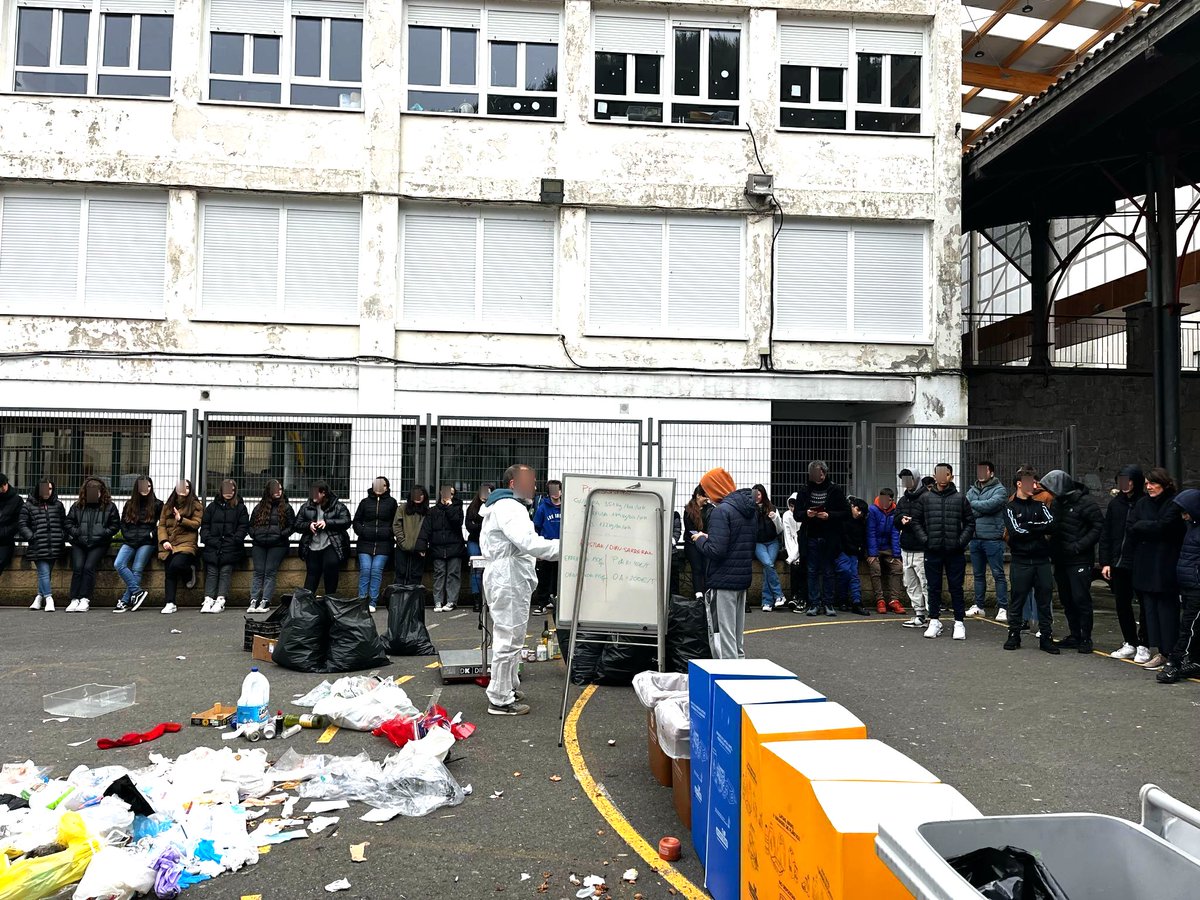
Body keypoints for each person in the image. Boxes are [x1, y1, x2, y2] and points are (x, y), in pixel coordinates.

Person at [480, 464, 560, 716]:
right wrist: (567, 548)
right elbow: (529, 543)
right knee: (509, 637)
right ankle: (500, 698)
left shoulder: (504, 506)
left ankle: (509, 686)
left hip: (509, 576)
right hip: (508, 578)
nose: (534, 486)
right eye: (530, 481)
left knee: (513, 635)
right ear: (513, 483)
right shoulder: (510, 508)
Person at [1123, 468, 1186, 671]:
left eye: (1153, 483)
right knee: (1150, 612)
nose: (1149, 487)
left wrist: (1145, 527)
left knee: (1167, 612)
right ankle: (1160, 651)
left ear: (1164, 484)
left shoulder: (1174, 503)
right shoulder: (1142, 503)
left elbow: (1165, 527)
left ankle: (1171, 652)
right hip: (1145, 565)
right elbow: (1132, 527)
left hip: (1166, 566)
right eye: (1147, 484)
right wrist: (1150, 527)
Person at [691, 467, 756, 659]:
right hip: (741, 577)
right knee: (736, 639)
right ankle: (739, 677)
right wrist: (710, 537)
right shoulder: (748, 509)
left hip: (723, 580)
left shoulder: (721, 511)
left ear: (715, 487)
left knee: (723, 638)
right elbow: (740, 541)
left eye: (707, 489)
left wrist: (701, 540)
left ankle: (727, 683)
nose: (708, 496)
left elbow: (716, 551)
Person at [1039, 469, 1103, 653]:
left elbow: (1098, 526)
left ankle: (1085, 637)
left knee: (1081, 598)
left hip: (1079, 559)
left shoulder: (1085, 503)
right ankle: (1075, 634)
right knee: (1067, 599)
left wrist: (1079, 545)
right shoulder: (1058, 503)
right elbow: (1054, 525)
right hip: (1061, 558)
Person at [1003, 466, 1059, 654]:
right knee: (1018, 599)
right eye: (1031, 482)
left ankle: (1046, 637)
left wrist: (1029, 526)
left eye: (1035, 482)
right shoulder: (1010, 506)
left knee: (1044, 599)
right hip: (1021, 561)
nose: (1034, 485)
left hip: (1041, 560)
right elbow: (1015, 532)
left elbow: (1052, 525)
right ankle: (1014, 635)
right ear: (1020, 484)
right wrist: (1037, 529)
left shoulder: (1040, 505)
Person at [919, 463, 975, 640]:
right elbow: (916, 522)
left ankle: (959, 623)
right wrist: (926, 540)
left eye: (947, 474)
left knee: (956, 587)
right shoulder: (926, 498)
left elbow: (970, 523)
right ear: (935, 476)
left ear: (951, 476)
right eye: (940, 474)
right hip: (933, 550)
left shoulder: (960, 498)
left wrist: (960, 542)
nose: (943, 477)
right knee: (933, 587)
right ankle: (934, 620)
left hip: (954, 551)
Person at [1100, 466, 1150, 663]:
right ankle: (1130, 641)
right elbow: (1107, 534)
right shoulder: (1115, 504)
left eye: (1129, 480)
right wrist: (1105, 562)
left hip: (1140, 562)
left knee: (1145, 605)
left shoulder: (1144, 503)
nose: (1125, 484)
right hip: (1118, 562)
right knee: (1122, 604)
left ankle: (1144, 643)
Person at [797, 461, 848, 617]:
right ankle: (814, 603)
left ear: (824, 473)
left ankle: (828, 603)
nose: (814, 476)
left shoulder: (835, 490)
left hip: (829, 537)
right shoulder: (804, 490)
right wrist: (806, 513)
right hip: (810, 536)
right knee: (811, 571)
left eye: (817, 473)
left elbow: (845, 513)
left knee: (828, 571)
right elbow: (796, 514)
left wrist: (829, 515)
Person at [1159, 490, 1200, 684]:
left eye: (1186, 512)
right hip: (1189, 584)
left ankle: (1175, 663)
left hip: (1196, 586)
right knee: (1192, 626)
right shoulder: (1192, 527)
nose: (1183, 516)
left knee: (1188, 628)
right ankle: (1194, 660)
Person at [64, 477, 120, 613]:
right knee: (77, 568)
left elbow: (115, 525)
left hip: (99, 544)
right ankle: (74, 599)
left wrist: (103, 533)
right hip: (79, 543)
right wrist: (77, 533)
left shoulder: (109, 507)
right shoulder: (77, 506)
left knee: (89, 567)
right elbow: (68, 522)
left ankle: (84, 598)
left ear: (102, 492)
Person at [966, 461, 1009, 620]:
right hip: (975, 538)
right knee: (978, 575)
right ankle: (979, 606)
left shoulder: (1000, 490)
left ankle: (1003, 607)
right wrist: (979, 508)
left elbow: (991, 506)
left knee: (998, 574)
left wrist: (974, 506)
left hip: (993, 539)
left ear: (991, 473)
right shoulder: (972, 490)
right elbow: (966, 509)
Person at [113, 477, 162, 613]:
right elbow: (123, 524)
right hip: (130, 541)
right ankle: (137, 592)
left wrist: (151, 535)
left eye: (148, 486)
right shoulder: (129, 504)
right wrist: (128, 536)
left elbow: (162, 525)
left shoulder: (158, 504)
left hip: (147, 542)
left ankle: (124, 601)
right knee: (119, 564)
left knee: (137, 569)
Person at [199, 479, 249, 614]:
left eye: (231, 490)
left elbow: (243, 528)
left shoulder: (240, 508)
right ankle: (208, 598)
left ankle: (221, 599)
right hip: (213, 545)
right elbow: (204, 527)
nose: (228, 493)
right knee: (212, 571)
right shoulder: (212, 507)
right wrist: (210, 540)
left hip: (231, 546)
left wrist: (234, 540)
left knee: (225, 571)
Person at [296, 481, 352, 595]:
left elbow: (346, 521)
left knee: (331, 567)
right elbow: (296, 524)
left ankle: (330, 600)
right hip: (312, 545)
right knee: (312, 573)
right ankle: (306, 603)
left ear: (324, 493)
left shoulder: (338, 506)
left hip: (331, 544)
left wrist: (327, 523)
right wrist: (308, 525)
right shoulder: (306, 506)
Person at [248, 479, 296, 612]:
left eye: (280, 489)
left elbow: (293, 526)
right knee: (258, 572)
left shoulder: (286, 508)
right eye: (275, 489)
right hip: (259, 544)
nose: (278, 492)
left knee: (269, 571)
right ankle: (253, 601)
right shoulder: (259, 507)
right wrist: (255, 535)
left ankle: (265, 601)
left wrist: (281, 535)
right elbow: (250, 526)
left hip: (278, 545)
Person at [353, 476, 397, 612]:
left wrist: (388, 532)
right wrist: (363, 531)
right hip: (365, 543)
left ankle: (372, 601)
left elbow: (396, 522)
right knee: (365, 570)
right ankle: (362, 600)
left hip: (384, 544)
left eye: (382, 485)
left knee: (376, 570)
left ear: (387, 487)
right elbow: (356, 521)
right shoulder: (365, 502)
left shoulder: (391, 503)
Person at [158, 479, 202, 614]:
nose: (184, 490)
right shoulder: (168, 505)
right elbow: (162, 525)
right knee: (169, 571)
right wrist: (164, 540)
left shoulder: (196, 505)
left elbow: (196, 524)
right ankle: (170, 602)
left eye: (187, 487)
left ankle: (189, 571)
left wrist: (180, 519)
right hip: (170, 542)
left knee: (175, 565)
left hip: (187, 543)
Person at [21, 480, 66, 612]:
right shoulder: (28, 506)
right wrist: (32, 537)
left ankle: (39, 597)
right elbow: (23, 524)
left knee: (46, 573)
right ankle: (49, 598)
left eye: (50, 489)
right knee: (44, 572)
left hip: (55, 544)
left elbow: (64, 522)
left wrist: (61, 535)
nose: (48, 492)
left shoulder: (58, 505)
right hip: (38, 545)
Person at [896, 470, 931, 628]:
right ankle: (919, 614)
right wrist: (900, 520)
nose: (906, 482)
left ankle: (933, 616)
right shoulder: (903, 499)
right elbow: (895, 518)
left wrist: (913, 521)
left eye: (909, 478)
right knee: (910, 583)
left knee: (925, 583)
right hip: (906, 547)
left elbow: (930, 520)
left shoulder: (927, 498)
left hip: (921, 548)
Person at [866, 488, 905, 615]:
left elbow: (895, 533)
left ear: (891, 500)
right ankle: (880, 600)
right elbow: (870, 532)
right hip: (875, 547)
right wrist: (872, 553)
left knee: (897, 567)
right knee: (875, 567)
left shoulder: (895, 511)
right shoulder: (872, 510)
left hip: (888, 547)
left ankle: (894, 600)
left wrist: (896, 554)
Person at [427, 484, 465, 612]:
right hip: (438, 547)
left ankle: (451, 601)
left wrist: (449, 507)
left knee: (453, 574)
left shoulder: (458, 508)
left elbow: (457, 523)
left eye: (451, 494)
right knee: (439, 574)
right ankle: (438, 601)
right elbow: (428, 529)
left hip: (454, 547)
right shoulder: (433, 510)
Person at [834, 498, 870, 616]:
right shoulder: (843, 518)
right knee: (846, 572)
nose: (859, 513)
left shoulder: (861, 522)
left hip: (852, 552)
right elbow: (841, 537)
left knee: (853, 575)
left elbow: (863, 538)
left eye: (861, 512)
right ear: (852, 506)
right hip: (842, 551)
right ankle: (844, 599)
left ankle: (855, 601)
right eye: (858, 510)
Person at [752, 484, 785, 611]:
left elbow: (779, 530)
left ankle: (766, 601)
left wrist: (775, 518)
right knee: (768, 564)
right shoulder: (750, 509)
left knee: (768, 567)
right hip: (758, 543)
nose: (756, 497)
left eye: (759, 494)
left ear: (763, 494)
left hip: (772, 542)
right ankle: (778, 595)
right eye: (754, 494)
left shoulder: (772, 508)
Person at [532, 479, 563, 615]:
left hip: (562, 547)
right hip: (546, 547)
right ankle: (542, 603)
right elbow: (536, 526)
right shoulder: (543, 507)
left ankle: (557, 601)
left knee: (559, 577)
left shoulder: (567, 506)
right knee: (544, 576)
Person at [392, 485, 430, 587]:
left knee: (416, 576)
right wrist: (403, 542)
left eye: (421, 495)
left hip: (420, 549)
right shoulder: (402, 508)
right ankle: (399, 601)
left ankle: (413, 601)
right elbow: (397, 526)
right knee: (400, 574)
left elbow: (428, 530)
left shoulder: (427, 512)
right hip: (401, 547)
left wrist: (422, 546)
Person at [464, 483, 493, 608]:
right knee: (476, 570)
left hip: (490, 543)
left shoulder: (494, 507)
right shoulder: (473, 507)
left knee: (490, 570)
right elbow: (469, 526)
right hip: (474, 541)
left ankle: (488, 599)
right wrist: (482, 527)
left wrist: (478, 526)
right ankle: (477, 600)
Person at [782, 492, 807, 611]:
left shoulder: (804, 515)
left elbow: (802, 537)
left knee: (803, 568)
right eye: (791, 506)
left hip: (804, 548)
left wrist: (794, 557)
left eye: (795, 506)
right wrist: (793, 557)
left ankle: (803, 598)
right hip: (793, 550)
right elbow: (788, 537)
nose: (792, 509)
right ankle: (794, 596)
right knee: (795, 567)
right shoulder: (786, 515)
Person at [683, 486, 709, 599]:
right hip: (691, 542)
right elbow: (688, 528)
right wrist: (699, 536)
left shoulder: (710, 509)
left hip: (706, 542)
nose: (707, 499)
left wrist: (704, 536)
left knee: (706, 567)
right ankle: (698, 594)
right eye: (705, 496)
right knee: (697, 568)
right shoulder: (688, 509)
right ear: (698, 495)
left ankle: (707, 593)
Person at [0, 474, 22, 580]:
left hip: (5, 541)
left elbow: (19, 522)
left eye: (4, 485)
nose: (3, 488)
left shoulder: (17, 500)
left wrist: (4, 532)